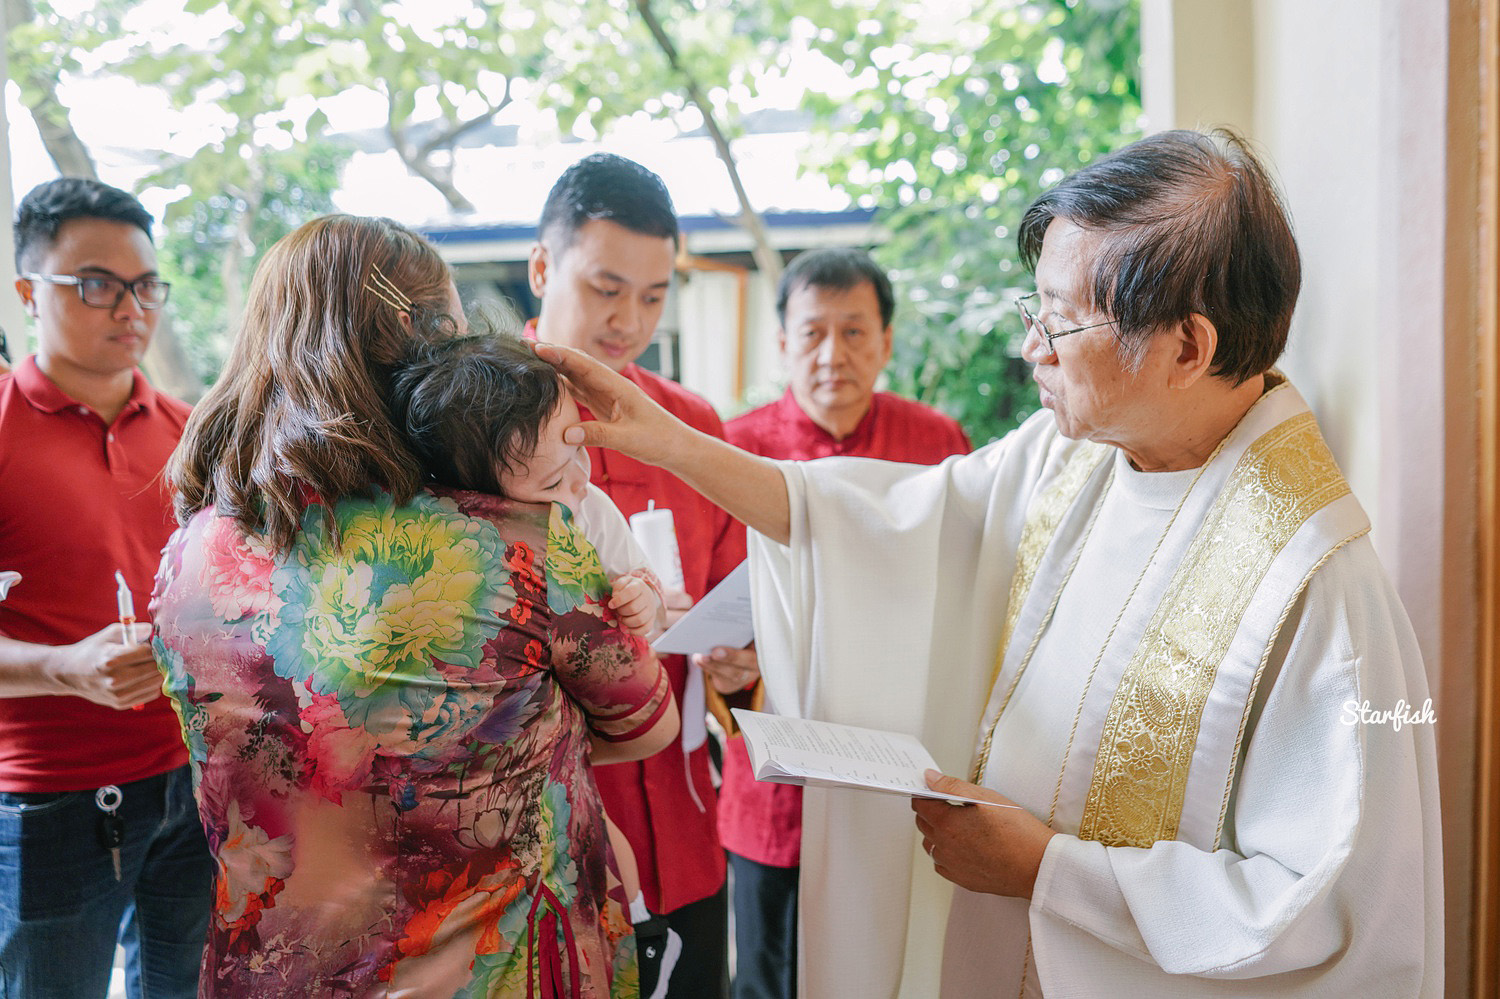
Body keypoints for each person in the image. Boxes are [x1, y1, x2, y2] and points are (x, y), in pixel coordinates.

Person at [538, 128, 1442, 998]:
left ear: (1187, 347)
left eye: (1060, 320)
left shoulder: (1316, 590)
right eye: (1033, 309)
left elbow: (1323, 908)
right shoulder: (1074, 455)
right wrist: (669, 442)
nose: (1029, 348)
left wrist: (1047, 869)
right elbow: (876, 522)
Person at [151, 214, 679, 997]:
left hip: (278, 974)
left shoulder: (190, 555)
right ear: (424, 341)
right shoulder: (520, 544)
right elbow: (649, 725)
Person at [703, 247, 969, 999]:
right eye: (812, 333)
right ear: (782, 343)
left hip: (895, 773)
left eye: (854, 332)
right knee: (766, 981)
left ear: (886, 341)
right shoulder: (733, 448)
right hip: (773, 789)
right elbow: (705, 605)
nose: (832, 355)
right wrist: (731, 664)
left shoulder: (937, 446)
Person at [389, 331, 682, 996]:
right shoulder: (503, 547)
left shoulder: (588, 511)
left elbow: (645, 605)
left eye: (578, 449)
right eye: (553, 479)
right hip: (501, 795)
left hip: (554, 758)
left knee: (612, 870)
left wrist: (642, 601)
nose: (579, 482)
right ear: (480, 497)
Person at [527, 152, 745, 997]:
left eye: (654, 296)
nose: (630, 320)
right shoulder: (469, 421)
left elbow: (737, 596)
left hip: (689, 834)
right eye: (606, 287)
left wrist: (742, 660)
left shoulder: (690, 424)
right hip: (547, 851)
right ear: (543, 267)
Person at [0, 177, 211, 998]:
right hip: (50, 804)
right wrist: (63, 666)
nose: (131, 308)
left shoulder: (193, 435)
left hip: (193, 780)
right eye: (96, 284)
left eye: (145, 285)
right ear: (27, 293)